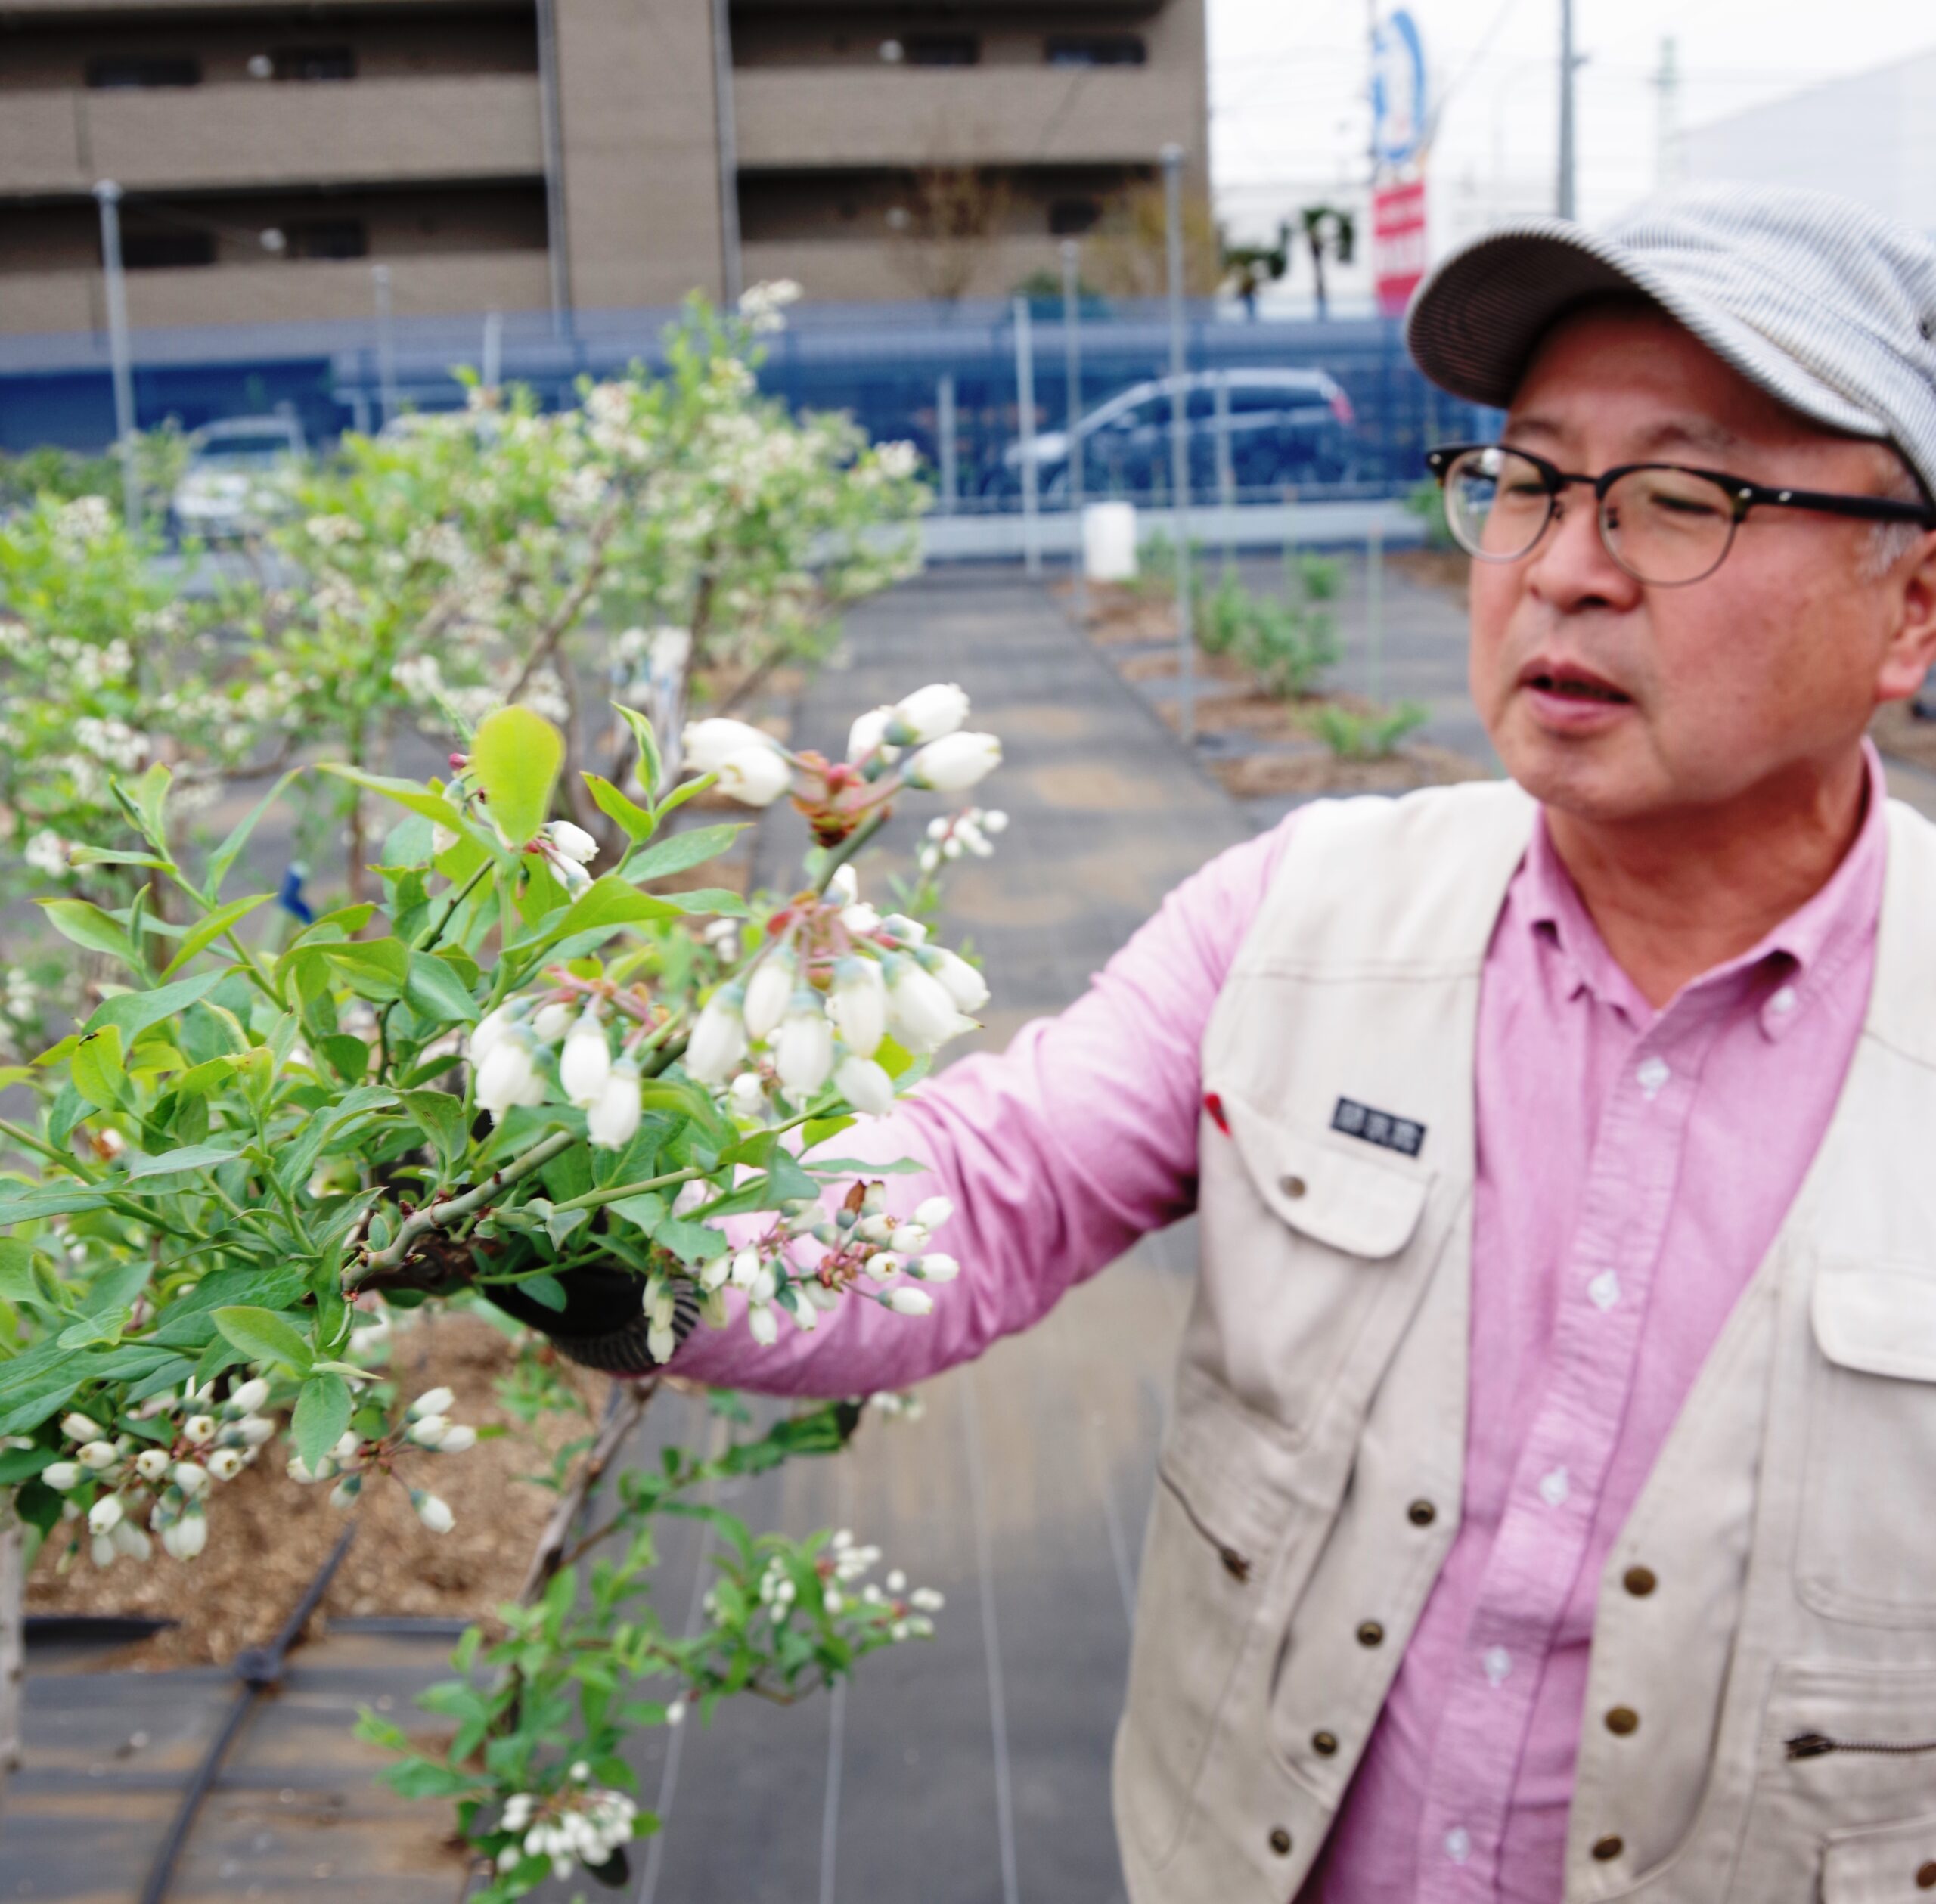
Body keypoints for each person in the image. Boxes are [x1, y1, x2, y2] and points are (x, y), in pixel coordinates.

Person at [509, 185, 1936, 1902]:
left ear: (1910, 610)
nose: (1563, 565)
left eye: (1677, 500)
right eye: (1525, 480)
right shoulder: (1304, 914)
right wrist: (610, 1226)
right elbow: (990, 1182)